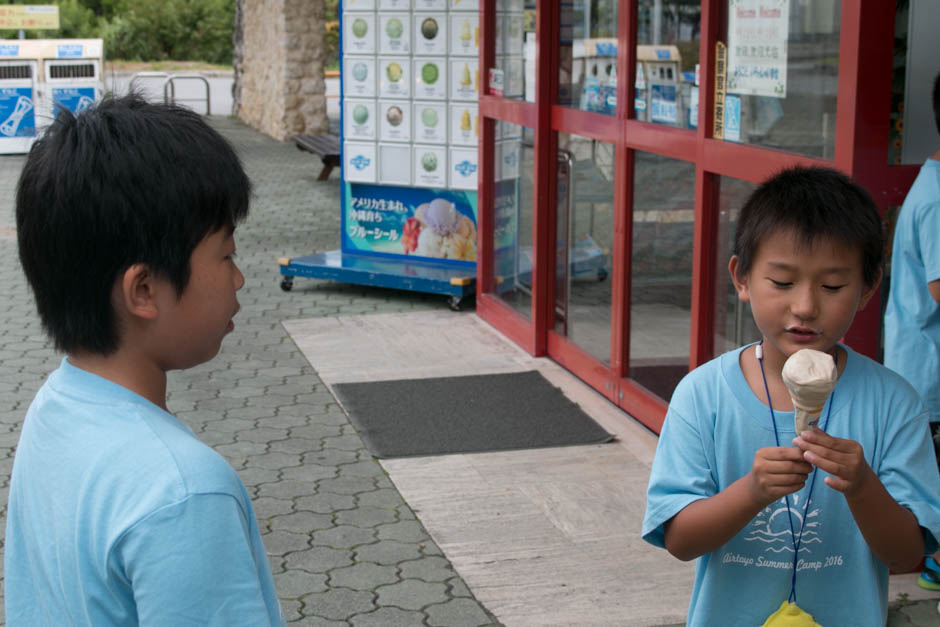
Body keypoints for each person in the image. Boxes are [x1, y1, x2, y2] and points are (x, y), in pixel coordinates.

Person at [5, 94, 285, 626]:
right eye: (225, 255)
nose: (239, 277)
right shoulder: (183, 492)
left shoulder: (52, 409)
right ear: (144, 289)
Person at [642, 166, 940, 626]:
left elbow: (905, 555)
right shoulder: (703, 395)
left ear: (868, 287)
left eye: (833, 286)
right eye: (782, 283)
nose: (805, 306)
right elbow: (680, 541)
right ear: (741, 277)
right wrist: (752, 491)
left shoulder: (894, 404)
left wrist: (863, 487)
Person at [883, 71, 940, 593]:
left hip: (917, 360)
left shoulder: (928, 183)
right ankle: (936, 563)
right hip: (930, 371)